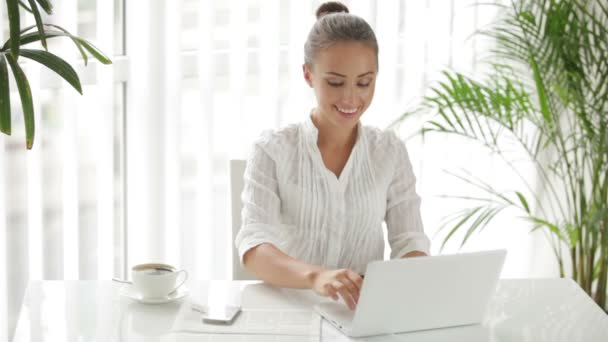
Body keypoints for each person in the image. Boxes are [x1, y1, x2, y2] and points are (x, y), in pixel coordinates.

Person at [235, 1, 430, 311]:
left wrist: (408, 283)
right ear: (308, 75)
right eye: (336, 83)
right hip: (290, 313)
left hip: (361, 316)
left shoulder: (389, 151)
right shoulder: (273, 150)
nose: (352, 98)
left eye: (364, 82)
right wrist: (316, 276)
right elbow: (255, 247)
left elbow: (410, 240)